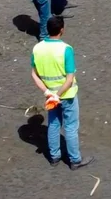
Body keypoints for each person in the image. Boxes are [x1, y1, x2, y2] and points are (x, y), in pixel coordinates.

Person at [30, 17, 93, 170]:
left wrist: (48, 93)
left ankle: (54, 157)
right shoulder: (66, 49)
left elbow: (34, 75)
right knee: (71, 127)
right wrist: (58, 94)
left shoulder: (37, 48)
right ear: (62, 30)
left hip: (50, 96)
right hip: (67, 95)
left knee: (53, 124)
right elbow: (69, 79)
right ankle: (75, 160)